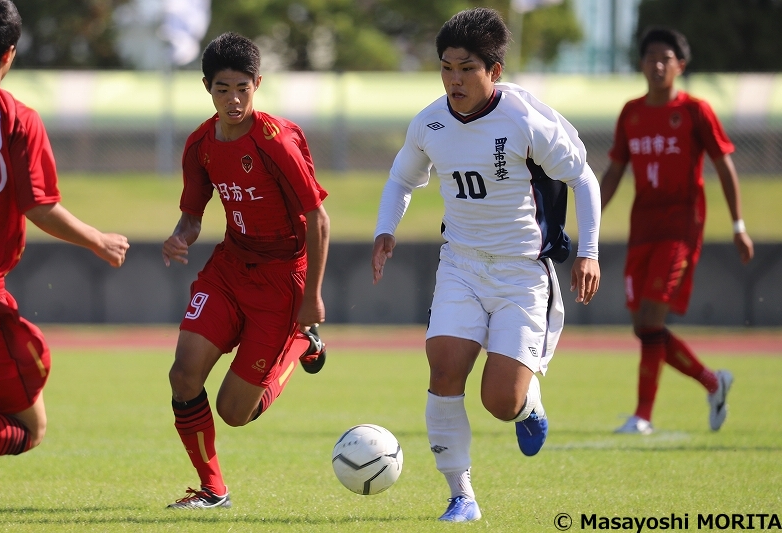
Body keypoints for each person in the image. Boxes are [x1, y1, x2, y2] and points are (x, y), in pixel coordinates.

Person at [371, 8, 601, 523]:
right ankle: (461, 496)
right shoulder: (429, 121)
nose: (454, 79)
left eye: (466, 68)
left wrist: (589, 252)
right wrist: (386, 229)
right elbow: (401, 179)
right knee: (443, 365)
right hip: (461, 264)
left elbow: (584, 178)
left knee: (500, 400)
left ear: (493, 71)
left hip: (522, 274)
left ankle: (526, 404)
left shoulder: (523, 119)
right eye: (447, 67)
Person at [161, 32, 330, 509]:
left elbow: (318, 217)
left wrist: (310, 298)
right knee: (183, 376)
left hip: (282, 279)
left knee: (234, 412)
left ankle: (302, 342)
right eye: (222, 90)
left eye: (242, 88)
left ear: (257, 84)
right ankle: (213, 490)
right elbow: (193, 216)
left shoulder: (276, 141)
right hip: (229, 269)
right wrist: (180, 238)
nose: (233, 100)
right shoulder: (200, 144)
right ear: (206, 88)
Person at [0, 0, 129, 460]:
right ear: (9, 54)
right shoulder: (16, 118)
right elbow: (39, 208)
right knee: (29, 427)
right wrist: (99, 240)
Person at [600, 27, 754, 436]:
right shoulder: (630, 112)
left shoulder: (695, 111)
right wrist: (590, 217)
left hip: (681, 228)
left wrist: (738, 225)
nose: (657, 64)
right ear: (641, 63)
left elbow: (724, 166)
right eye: (651, 56)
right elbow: (615, 171)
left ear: (680, 66)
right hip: (642, 228)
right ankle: (712, 381)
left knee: (651, 318)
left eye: (666, 58)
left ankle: (643, 416)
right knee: (643, 326)